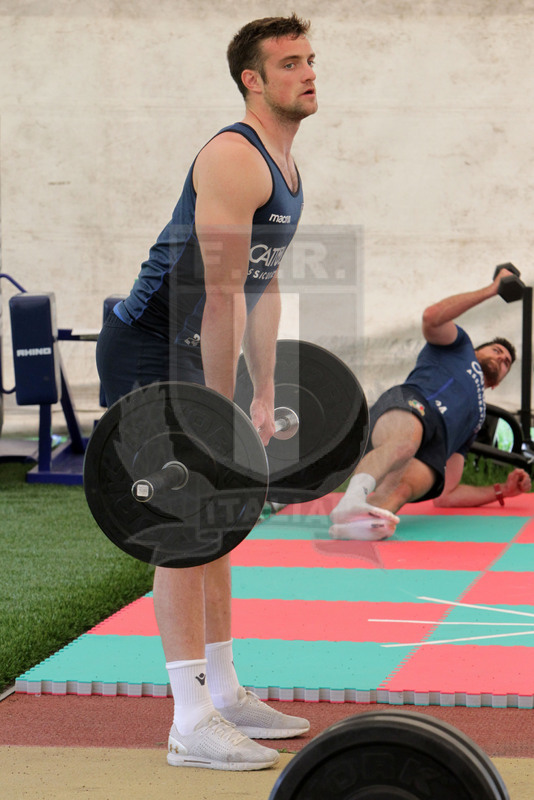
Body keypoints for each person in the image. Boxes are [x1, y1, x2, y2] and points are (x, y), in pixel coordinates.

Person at [96, 15, 317, 771]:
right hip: (151, 348)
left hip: (196, 345)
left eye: (310, 59)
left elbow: (264, 283)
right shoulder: (232, 156)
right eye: (290, 63)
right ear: (251, 80)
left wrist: (264, 391)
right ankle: (189, 721)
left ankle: (222, 691)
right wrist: (217, 413)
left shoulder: (284, 166)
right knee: (187, 524)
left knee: (221, 516)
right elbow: (221, 294)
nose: (309, 73)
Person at [330, 270, 531, 541]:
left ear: (496, 384)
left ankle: (362, 525)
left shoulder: (478, 416)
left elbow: (448, 495)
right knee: (405, 444)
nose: (501, 358)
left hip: (439, 441)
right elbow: (432, 317)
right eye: (496, 350)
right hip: (415, 403)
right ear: (476, 353)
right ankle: (352, 499)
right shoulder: (459, 347)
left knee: (404, 488)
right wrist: (492, 289)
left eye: (506, 361)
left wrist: (502, 491)